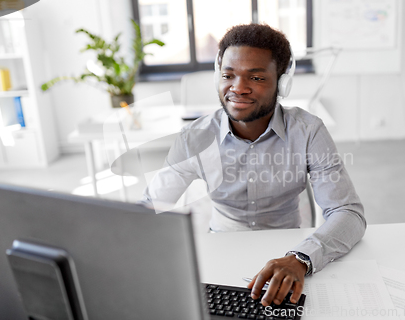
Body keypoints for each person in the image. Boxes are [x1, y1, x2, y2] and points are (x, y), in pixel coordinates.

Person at [140, 23, 366, 307]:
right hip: (221, 245)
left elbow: (348, 212)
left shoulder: (308, 131)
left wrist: (301, 258)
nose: (238, 88)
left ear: (282, 83)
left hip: (289, 245)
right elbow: (150, 207)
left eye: (256, 77)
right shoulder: (195, 138)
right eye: (228, 75)